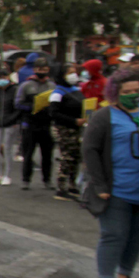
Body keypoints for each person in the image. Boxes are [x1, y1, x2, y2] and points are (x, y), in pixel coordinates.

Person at [83, 69, 139, 278]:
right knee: (114, 234)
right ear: (115, 93)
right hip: (116, 189)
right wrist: (99, 183)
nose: (133, 95)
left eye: (137, 91)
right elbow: (90, 150)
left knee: (136, 237)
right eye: (127, 92)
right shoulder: (105, 116)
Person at [16, 60, 55, 190]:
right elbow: (18, 103)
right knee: (28, 154)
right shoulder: (26, 85)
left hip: (46, 123)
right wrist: (32, 107)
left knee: (47, 155)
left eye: (44, 69)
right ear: (34, 70)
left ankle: (47, 180)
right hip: (30, 123)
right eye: (39, 69)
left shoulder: (51, 85)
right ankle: (25, 180)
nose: (41, 72)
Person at [49, 63, 85, 201]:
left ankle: (72, 185)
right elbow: (54, 113)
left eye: (74, 71)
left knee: (76, 156)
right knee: (67, 157)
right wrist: (73, 121)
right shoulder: (57, 93)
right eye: (70, 72)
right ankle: (61, 187)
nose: (73, 74)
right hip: (64, 129)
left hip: (77, 129)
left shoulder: (76, 89)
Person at [0, 68, 21, 185]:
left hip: (10, 123)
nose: (2, 80)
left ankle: (7, 175)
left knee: (7, 149)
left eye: (4, 77)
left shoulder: (15, 90)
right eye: (0, 77)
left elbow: (18, 107)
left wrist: (14, 120)